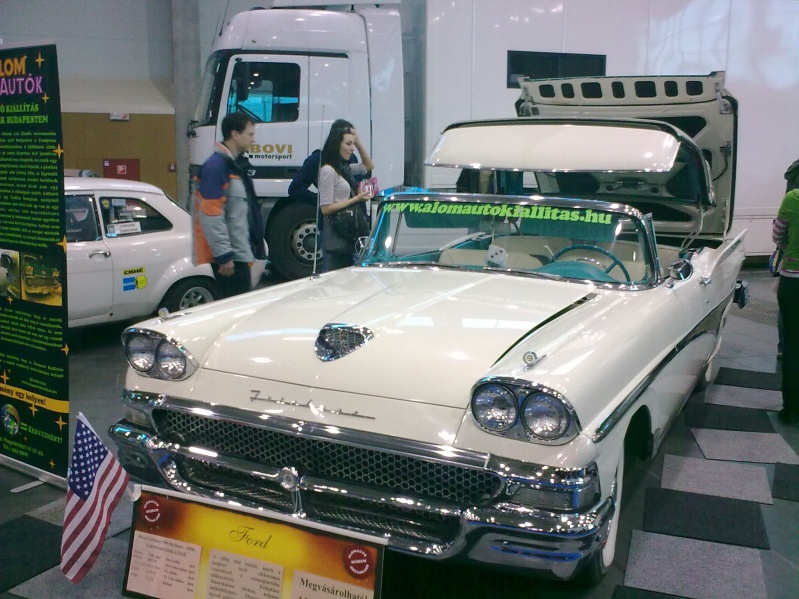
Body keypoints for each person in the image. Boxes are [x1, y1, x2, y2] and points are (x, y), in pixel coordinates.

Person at [194, 112, 266, 298]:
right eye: (250, 134)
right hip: (230, 258)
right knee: (235, 307)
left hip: (238, 253)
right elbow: (211, 215)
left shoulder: (235, 165)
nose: (253, 139)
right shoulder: (217, 167)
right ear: (235, 134)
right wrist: (224, 256)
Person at [318, 122, 375, 271]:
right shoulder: (328, 171)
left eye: (353, 144)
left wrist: (358, 140)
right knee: (334, 275)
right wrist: (356, 199)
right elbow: (326, 208)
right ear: (336, 145)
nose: (352, 148)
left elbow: (368, 166)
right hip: (336, 230)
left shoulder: (344, 168)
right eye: (348, 144)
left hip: (348, 231)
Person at [772, 181, 799, 426]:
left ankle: (791, 410)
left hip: (793, 282)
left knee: (793, 345)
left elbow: (778, 235)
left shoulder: (793, 197)